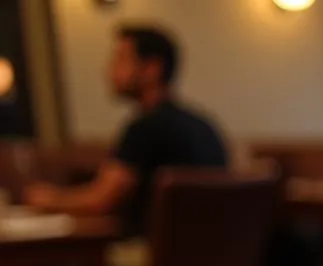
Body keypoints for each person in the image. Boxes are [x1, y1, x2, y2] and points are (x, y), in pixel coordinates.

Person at [23, 24, 227, 239]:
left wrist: (49, 199)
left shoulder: (145, 128)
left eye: (120, 59)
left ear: (152, 68)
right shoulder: (205, 126)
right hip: (213, 258)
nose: (109, 69)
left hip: (157, 258)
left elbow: (100, 200)